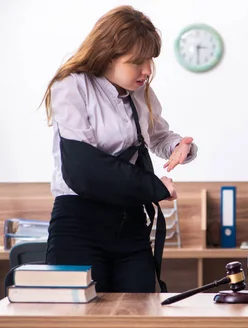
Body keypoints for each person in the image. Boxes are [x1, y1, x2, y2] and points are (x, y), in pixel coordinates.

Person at [42, 6, 198, 293]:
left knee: (138, 320)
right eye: (137, 61)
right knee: (79, 326)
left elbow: (158, 136)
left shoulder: (141, 92)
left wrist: (180, 147)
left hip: (130, 226)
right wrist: (153, 187)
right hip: (79, 225)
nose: (148, 70)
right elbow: (84, 169)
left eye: (150, 59)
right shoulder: (73, 87)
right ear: (107, 55)